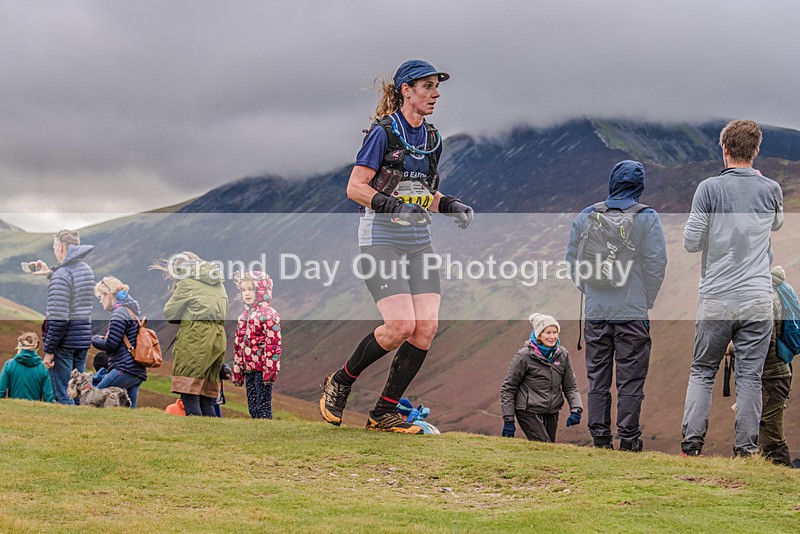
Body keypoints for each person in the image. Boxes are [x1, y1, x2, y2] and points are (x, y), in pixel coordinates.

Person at [319, 59, 473, 433]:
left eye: (437, 87)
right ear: (406, 90)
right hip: (381, 237)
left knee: (425, 328)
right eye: (427, 87)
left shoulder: (433, 138)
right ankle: (340, 380)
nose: (435, 94)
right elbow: (356, 187)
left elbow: (424, 192)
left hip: (418, 239)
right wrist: (391, 205)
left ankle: (383, 412)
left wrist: (450, 204)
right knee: (400, 325)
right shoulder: (383, 133)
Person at [680, 120, 784, 457]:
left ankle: (692, 447)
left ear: (724, 150)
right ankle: (745, 452)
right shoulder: (771, 189)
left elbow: (691, 242)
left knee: (703, 370)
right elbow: (778, 223)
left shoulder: (708, 189)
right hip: (757, 298)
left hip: (717, 296)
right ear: (756, 151)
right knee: (751, 377)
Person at [565, 160, 667, 451]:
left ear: (612, 181)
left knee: (598, 377)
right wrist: (645, 299)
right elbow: (656, 263)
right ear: (639, 186)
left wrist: (586, 287)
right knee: (630, 379)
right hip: (632, 310)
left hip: (595, 311)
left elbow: (572, 259)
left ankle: (600, 439)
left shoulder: (587, 215)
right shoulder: (647, 217)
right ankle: (629, 440)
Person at [726, 265, 794, 465]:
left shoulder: (764, 301)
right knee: (762, 427)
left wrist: (732, 348)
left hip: (770, 376)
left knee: (770, 432)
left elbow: (762, 342)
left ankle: (782, 473)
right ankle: (763, 470)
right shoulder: (772, 296)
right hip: (773, 375)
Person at [153, 252, 227, 417]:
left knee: (189, 392)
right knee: (206, 396)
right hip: (217, 337)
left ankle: (197, 437)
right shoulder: (218, 282)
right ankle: (213, 438)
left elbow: (171, 313)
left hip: (196, 337)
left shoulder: (186, 282)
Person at [30, 229, 95, 404]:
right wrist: (51, 274)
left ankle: (69, 429)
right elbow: (74, 294)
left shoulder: (62, 275)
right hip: (81, 340)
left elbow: (59, 318)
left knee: (64, 393)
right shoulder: (86, 270)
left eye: (54, 246)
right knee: (79, 392)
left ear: (61, 246)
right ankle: (80, 427)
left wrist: (49, 351)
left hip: (64, 343)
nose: (54, 250)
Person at [500, 314, 583, 443]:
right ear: (539, 335)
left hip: (552, 411)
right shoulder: (524, 356)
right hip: (528, 410)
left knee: (547, 449)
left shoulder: (563, 354)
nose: (552, 337)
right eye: (548, 333)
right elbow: (508, 388)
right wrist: (509, 419)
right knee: (546, 446)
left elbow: (571, 387)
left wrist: (576, 409)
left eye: (555, 332)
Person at [91, 277, 148, 408]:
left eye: (101, 296)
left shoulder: (119, 313)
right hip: (135, 369)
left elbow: (111, 344)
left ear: (109, 295)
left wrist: (94, 339)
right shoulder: (128, 311)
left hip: (124, 368)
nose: (100, 300)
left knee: (95, 399)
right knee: (128, 409)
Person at [232, 271, 281, 419]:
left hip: (262, 370)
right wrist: (238, 371)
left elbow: (273, 346)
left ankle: (267, 433)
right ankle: (258, 432)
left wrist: (269, 372)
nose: (246, 293)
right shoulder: (243, 317)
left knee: (263, 404)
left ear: (261, 290)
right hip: (248, 369)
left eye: (251, 289)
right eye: (243, 290)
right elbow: (239, 346)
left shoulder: (270, 315)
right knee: (252, 405)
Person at [0, 332, 55, 402]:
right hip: (35, 410)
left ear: (19, 345)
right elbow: (49, 398)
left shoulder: (9, 365)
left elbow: (1, 392)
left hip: (14, 409)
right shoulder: (42, 368)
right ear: (36, 347)